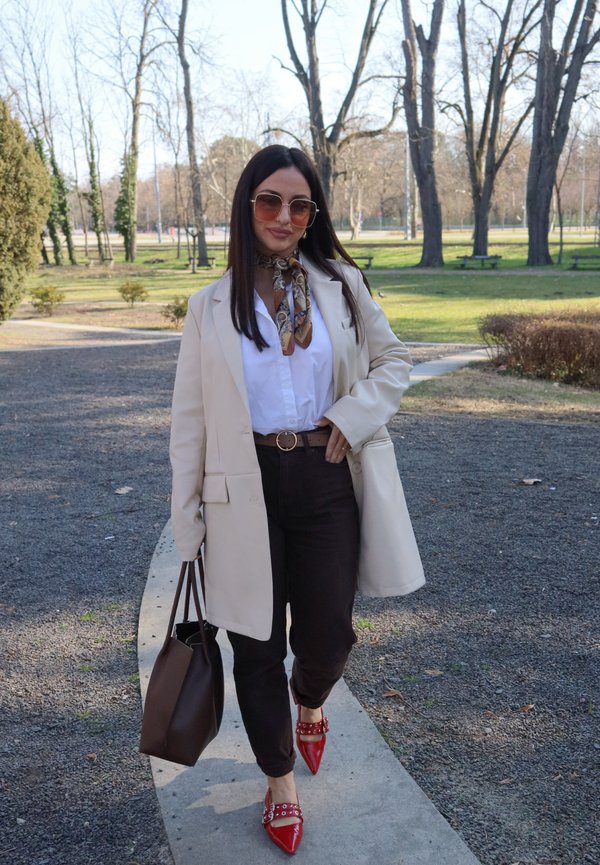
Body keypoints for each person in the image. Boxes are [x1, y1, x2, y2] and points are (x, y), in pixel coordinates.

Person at [169, 144, 425, 855]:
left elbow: (395, 360)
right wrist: (186, 517)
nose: (284, 216)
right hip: (241, 491)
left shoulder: (341, 283)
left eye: (299, 204)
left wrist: (350, 415)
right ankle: (278, 778)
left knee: (329, 634)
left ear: (313, 213)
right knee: (256, 645)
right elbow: (189, 418)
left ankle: (310, 700)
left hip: (324, 476)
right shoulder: (210, 306)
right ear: (246, 206)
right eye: (270, 201)